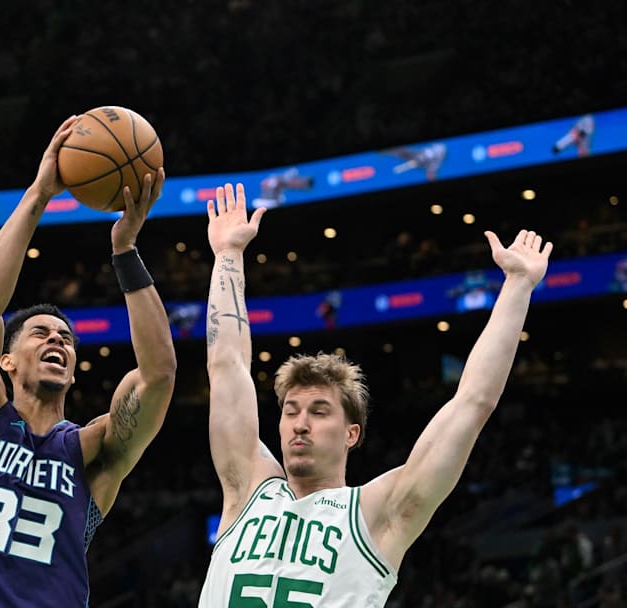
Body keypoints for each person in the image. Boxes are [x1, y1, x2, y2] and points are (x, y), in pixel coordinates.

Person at [198, 183, 553, 606]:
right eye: (291, 410)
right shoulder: (246, 489)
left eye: (319, 410)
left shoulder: (376, 513)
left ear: (351, 433)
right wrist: (227, 256)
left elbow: (471, 404)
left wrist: (517, 286)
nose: (300, 422)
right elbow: (226, 368)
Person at [0, 117, 177, 607]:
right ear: (7, 361)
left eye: (65, 337)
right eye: (40, 333)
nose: (56, 340)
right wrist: (40, 194)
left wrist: (124, 250)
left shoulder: (92, 450)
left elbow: (159, 375)